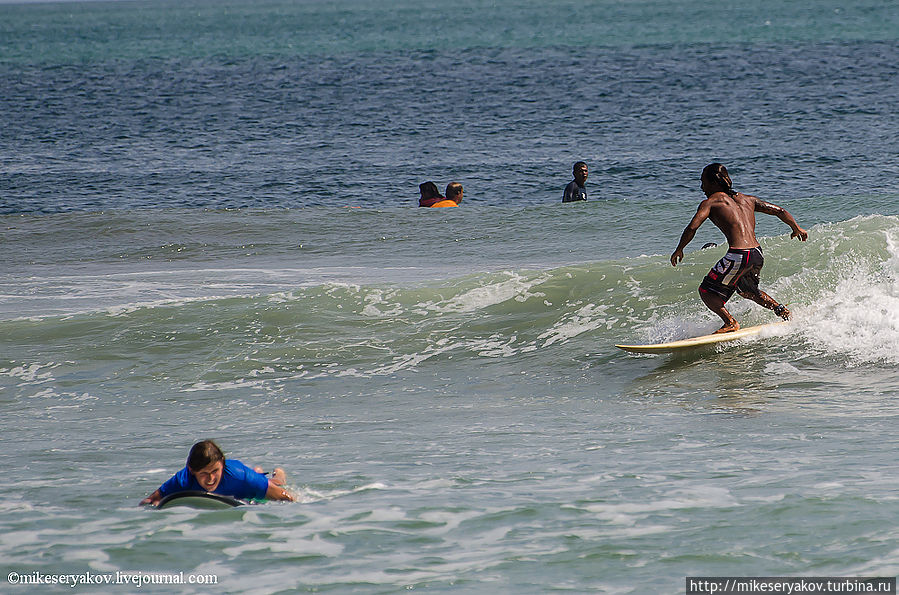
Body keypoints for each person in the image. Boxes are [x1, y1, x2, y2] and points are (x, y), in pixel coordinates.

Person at [670, 163, 808, 333]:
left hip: (739, 254)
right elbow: (780, 211)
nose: (702, 187)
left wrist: (679, 249)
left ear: (714, 183)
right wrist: (796, 228)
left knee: (706, 291)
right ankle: (783, 311)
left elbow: (692, 227)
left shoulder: (710, 202)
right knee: (747, 290)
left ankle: (730, 323)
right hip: (756, 253)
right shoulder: (747, 199)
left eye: (703, 182)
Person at [139, 440, 293, 506]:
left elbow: (287, 497)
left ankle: (278, 473)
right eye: (204, 474)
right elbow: (151, 499)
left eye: (215, 471)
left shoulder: (240, 476)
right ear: (192, 470)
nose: (211, 479)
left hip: (243, 484)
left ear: (222, 464)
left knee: (274, 484)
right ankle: (258, 471)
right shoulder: (183, 480)